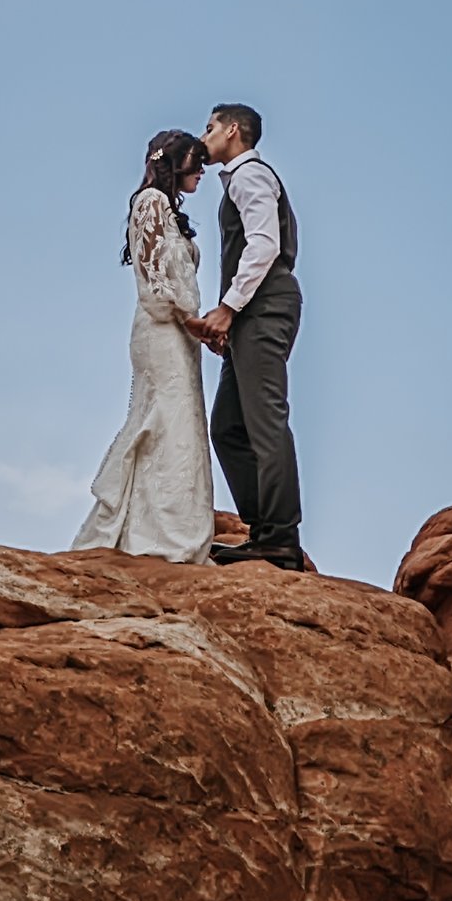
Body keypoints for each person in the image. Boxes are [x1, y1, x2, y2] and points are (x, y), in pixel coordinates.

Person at [72, 131, 219, 560]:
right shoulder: (151, 202)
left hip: (178, 331)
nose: (202, 170)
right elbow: (153, 276)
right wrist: (189, 320)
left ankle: (160, 525)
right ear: (175, 162)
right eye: (196, 161)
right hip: (161, 328)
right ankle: (165, 534)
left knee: (181, 418)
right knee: (168, 418)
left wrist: (197, 327)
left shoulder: (170, 211)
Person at [195, 104, 303, 571]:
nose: (205, 136)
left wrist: (229, 307)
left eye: (210, 126)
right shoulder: (238, 180)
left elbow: (264, 244)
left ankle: (280, 540)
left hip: (265, 304)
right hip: (251, 314)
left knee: (265, 422)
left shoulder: (250, 175)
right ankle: (264, 531)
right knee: (229, 427)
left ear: (233, 130)